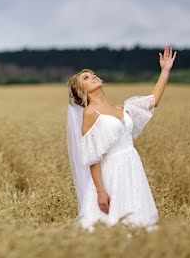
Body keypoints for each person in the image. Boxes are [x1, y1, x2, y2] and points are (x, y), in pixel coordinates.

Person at [66, 46, 176, 231]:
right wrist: (101, 192)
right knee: (114, 222)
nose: (92, 76)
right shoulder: (90, 114)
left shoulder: (121, 108)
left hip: (132, 167)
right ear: (81, 91)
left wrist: (165, 71)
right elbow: (93, 159)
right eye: (86, 78)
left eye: (92, 74)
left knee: (139, 218)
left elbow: (153, 100)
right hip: (112, 174)